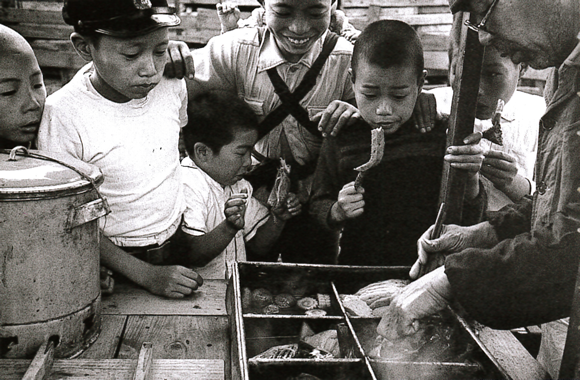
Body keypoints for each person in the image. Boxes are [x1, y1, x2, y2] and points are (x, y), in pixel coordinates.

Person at [378, 1, 580, 378]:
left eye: (483, 12)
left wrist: (449, 281)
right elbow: (566, 206)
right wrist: (486, 232)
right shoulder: (565, 72)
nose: (484, 35)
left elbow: (570, 249)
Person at [38, 0, 203, 299]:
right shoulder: (63, 115)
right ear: (85, 47)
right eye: (131, 54)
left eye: (160, 50)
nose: (150, 71)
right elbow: (69, 215)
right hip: (115, 265)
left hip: (178, 237)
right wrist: (146, 275)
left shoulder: (170, 85)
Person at [309, 19, 486, 266]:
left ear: (421, 84)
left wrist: (471, 178)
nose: (384, 109)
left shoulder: (439, 134)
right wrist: (336, 211)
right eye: (369, 94)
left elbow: (470, 212)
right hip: (359, 267)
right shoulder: (342, 136)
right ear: (352, 81)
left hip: (426, 267)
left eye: (399, 95)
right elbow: (318, 201)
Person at [179, 91, 301, 279]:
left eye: (251, 151)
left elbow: (258, 245)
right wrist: (229, 227)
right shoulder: (188, 184)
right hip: (203, 298)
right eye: (241, 153)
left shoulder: (239, 185)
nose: (249, 162)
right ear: (203, 152)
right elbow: (193, 254)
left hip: (233, 287)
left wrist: (278, 219)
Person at [429, 14, 545, 211]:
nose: (477, 90)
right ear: (450, 68)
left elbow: (556, 201)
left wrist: (516, 184)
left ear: (522, 68)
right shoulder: (434, 107)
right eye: (462, 72)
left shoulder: (542, 117)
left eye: (492, 74)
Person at [216, 1, 361, 42]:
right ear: (263, 4)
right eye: (283, 13)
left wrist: (359, 44)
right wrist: (229, 27)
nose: (299, 29)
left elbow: (356, 41)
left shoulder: (337, 21)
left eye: (316, 13)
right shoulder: (260, 19)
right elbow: (236, 44)